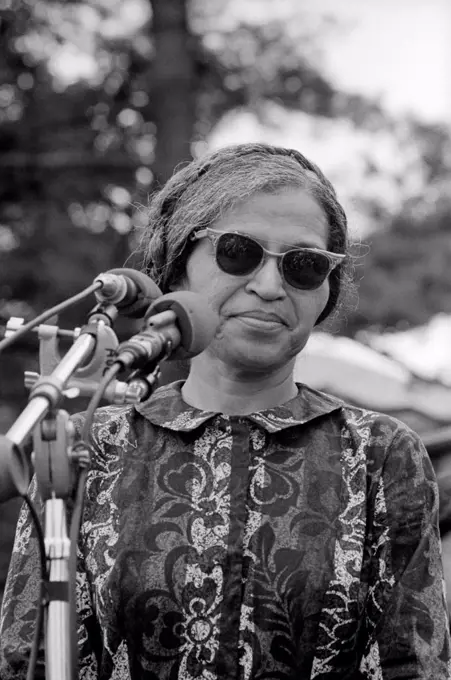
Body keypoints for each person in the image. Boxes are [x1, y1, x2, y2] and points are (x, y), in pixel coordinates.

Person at [0, 142, 450, 679]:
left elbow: (413, 665)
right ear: (177, 267)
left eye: (303, 265)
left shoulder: (381, 453)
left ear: (324, 291)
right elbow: (28, 660)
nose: (268, 285)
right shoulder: (84, 443)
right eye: (238, 252)